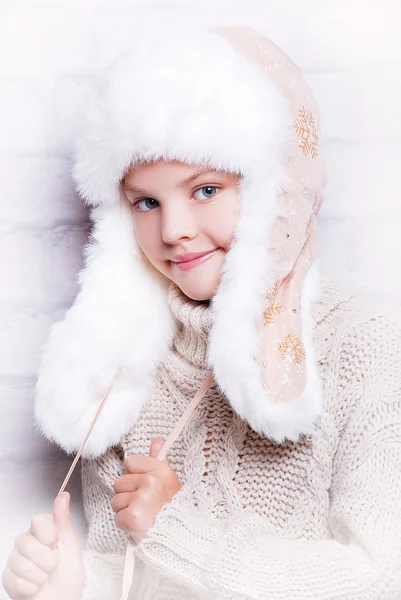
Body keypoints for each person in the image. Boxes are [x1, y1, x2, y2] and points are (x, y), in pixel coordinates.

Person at [3, 23, 401, 600]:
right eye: (145, 201)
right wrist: (76, 585)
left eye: (206, 189)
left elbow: (381, 577)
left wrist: (175, 527)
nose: (174, 231)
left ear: (276, 189)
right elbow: (128, 573)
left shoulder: (364, 348)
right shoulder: (124, 366)